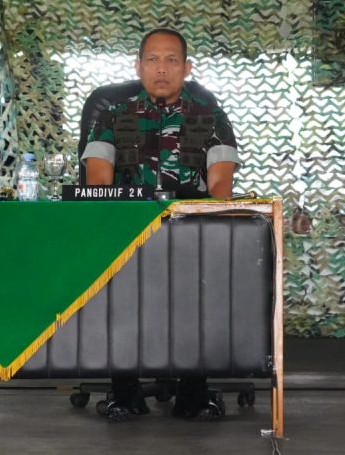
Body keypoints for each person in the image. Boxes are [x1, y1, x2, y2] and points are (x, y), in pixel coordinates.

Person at [82, 28, 240, 421]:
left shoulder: (210, 116)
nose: (162, 68)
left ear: (187, 68)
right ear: (138, 66)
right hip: (127, 232)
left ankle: (194, 393)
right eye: (152, 59)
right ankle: (124, 393)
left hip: (190, 233)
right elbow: (98, 180)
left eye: (172, 60)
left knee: (198, 295)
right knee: (119, 294)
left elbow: (220, 187)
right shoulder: (113, 115)